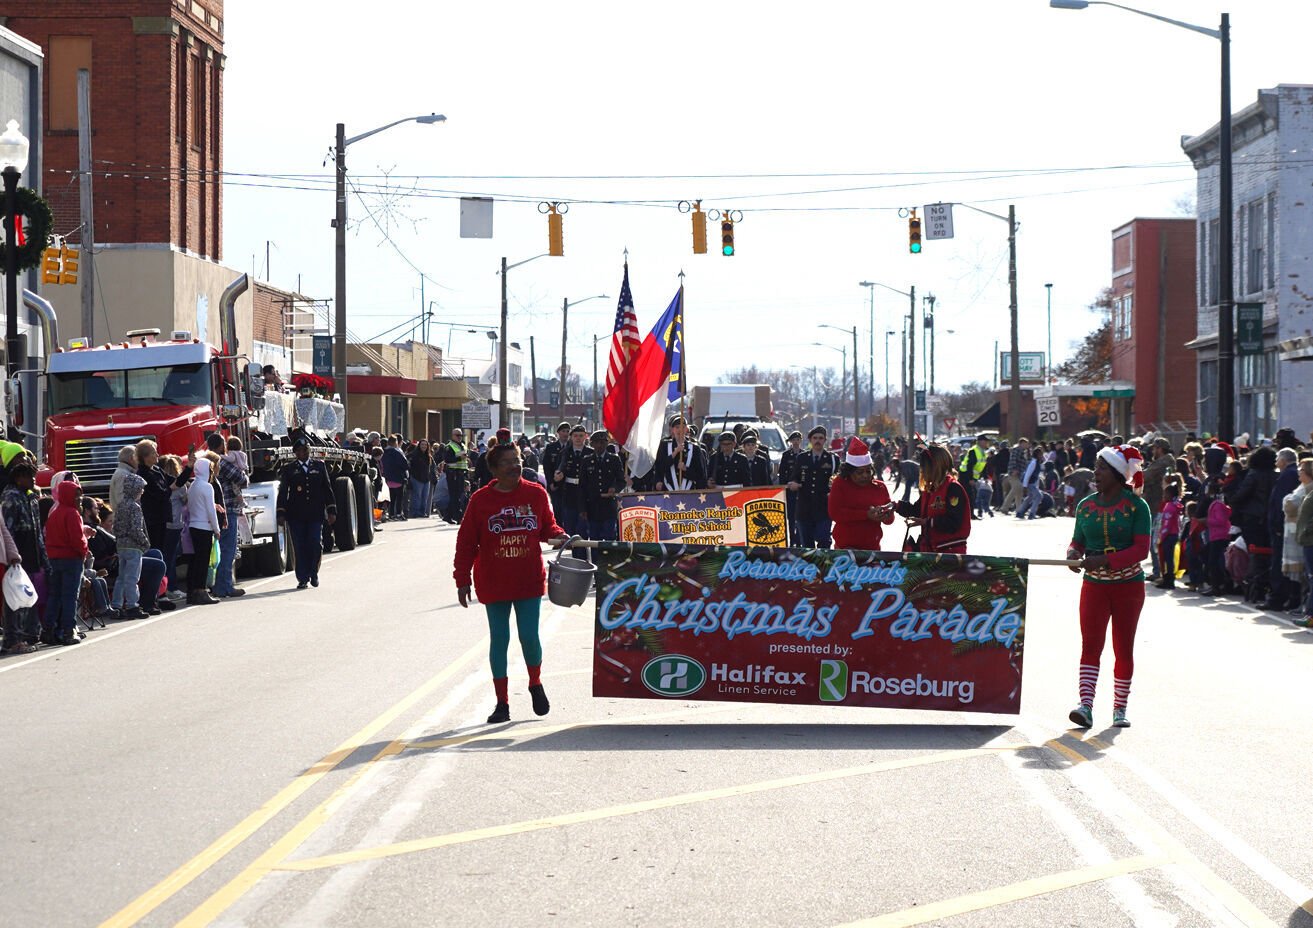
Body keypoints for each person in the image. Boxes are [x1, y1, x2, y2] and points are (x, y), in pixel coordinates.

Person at [453, 442, 569, 723]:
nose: (514, 466)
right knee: (499, 639)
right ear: (493, 469)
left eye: (516, 460)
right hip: (493, 581)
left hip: (527, 578)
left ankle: (535, 682)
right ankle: (502, 702)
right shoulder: (480, 500)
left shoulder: (536, 494)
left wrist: (559, 535)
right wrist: (462, 579)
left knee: (529, 636)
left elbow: (546, 527)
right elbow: (466, 542)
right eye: (506, 462)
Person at [1065, 445, 1151, 729]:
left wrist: (1104, 559)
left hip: (1129, 588)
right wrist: (1073, 554)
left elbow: (1141, 550)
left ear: (1117, 473)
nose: (1095, 472)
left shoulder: (1137, 507)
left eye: (1102, 468)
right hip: (1094, 587)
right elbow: (1077, 540)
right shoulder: (1085, 505)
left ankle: (1120, 708)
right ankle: (1085, 705)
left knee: (1123, 648)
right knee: (1090, 646)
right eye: (1096, 466)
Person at [276, 437, 338, 590]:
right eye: (298, 451)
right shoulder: (289, 469)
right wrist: (281, 513)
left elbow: (327, 489)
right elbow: (283, 492)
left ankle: (314, 573)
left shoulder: (319, 466)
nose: (302, 453)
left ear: (308, 451)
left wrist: (331, 510)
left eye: (304, 450)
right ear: (295, 453)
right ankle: (302, 578)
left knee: (315, 543)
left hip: (315, 514)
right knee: (300, 546)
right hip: (296, 515)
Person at [1, 459, 47, 653]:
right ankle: (13, 638)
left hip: (31, 554)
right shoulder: (10, 497)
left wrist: (43, 558)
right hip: (17, 556)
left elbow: (37, 533)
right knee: (15, 599)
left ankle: (29, 634)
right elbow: (7, 530)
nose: (33, 480)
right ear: (19, 478)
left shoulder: (30, 498)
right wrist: (12, 555)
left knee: (28, 595)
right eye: (30, 476)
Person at [895, 443, 972, 554]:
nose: (922, 471)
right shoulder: (930, 489)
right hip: (930, 550)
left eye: (924, 468)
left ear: (935, 467)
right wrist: (895, 506)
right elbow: (916, 510)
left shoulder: (953, 488)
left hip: (950, 553)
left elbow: (954, 523)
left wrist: (927, 522)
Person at [43, 476, 89, 645]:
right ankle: (69, 631)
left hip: (54, 559)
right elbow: (77, 539)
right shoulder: (72, 513)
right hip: (71, 558)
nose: (79, 499)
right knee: (70, 596)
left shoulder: (54, 513)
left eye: (80, 495)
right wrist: (84, 552)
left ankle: (48, 629)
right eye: (76, 496)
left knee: (55, 595)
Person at [828, 438, 894, 550]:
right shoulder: (840, 484)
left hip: (872, 549)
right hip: (845, 550)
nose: (865, 476)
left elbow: (890, 520)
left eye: (868, 471)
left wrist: (886, 515)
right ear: (849, 472)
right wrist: (866, 515)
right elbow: (835, 513)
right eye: (859, 472)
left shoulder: (880, 487)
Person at [206, 433, 248, 599]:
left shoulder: (206, 459)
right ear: (220, 445)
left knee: (218, 550)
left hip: (214, 509)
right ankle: (225, 587)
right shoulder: (221, 461)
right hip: (228, 508)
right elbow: (241, 479)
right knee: (227, 550)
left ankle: (218, 585)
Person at [1263, 448, 1301, 610]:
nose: (1276, 462)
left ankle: (1277, 599)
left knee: (1279, 563)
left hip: (1282, 527)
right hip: (1285, 525)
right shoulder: (1291, 474)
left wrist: (1277, 524)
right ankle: (1287, 598)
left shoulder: (1288, 475)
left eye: (1278, 458)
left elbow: (1281, 501)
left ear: (1284, 460)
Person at [789, 426, 837, 548]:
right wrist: (793, 483)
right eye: (815, 438)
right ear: (810, 440)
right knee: (807, 545)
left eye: (821, 438)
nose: (818, 441)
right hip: (805, 507)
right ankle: (809, 567)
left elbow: (838, 479)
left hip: (823, 507)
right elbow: (795, 477)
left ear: (825, 440)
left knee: (824, 541)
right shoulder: (802, 458)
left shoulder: (832, 459)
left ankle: (823, 566)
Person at [112, 474, 151, 619]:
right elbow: (136, 529)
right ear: (135, 489)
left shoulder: (121, 505)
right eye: (141, 489)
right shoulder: (135, 507)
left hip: (121, 545)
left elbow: (115, 526)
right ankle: (132, 605)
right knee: (132, 578)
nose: (142, 491)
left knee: (121, 577)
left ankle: (116, 605)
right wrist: (144, 542)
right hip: (134, 546)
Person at [185, 455, 222, 605]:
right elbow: (210, 511)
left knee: (194, 560)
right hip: (204, 527)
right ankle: (201, 591)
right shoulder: (207, 487)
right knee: (203, 560)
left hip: (193, 526)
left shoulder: (193, 485)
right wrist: (216, 528)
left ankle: (192, 591)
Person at [584, 431, 625, 543]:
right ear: (592, 444)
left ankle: (608, 560)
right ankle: (595, 560)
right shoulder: (587, 461)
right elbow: (582, 487)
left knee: (610, 538)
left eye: (602, 442)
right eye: (596, 443)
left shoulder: (614, 459)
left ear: (607, 444)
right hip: (592, 505)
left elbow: (622, 481)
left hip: (609, 506)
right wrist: (582, 508)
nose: (599, 445)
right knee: (594, 539)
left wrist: (615, 488)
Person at [551, 425, 592, 537]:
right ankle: (574, 552)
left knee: (583, 527)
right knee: (570, 525)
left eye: (581, 436)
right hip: (569, 492)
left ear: (585, 437)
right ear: (571, 437)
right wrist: (557, 478)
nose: (578, 438)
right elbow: (560, 468)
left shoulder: (590, 453)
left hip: (585, 493)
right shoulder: (565, 452)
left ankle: (582, 553)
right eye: (575, 436)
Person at [652, 415, 708, 491]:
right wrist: (675, 453)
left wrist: (685, 469)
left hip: (689, 491)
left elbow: (701, 474)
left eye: (682, 427)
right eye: (677, 427)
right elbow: (660, 467)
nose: (679, 430)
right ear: (672, 430)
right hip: (668, 490)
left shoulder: (695, 448)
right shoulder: (664, 446)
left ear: (686, 429)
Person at [1154, 479, 1184, 590]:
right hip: (1174, 534)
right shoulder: (1176, 505)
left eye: (1165, 493)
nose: (1163, 495)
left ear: (1170, 495)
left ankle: (1169, 580)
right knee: (1169, 558)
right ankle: (1168, 578)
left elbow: (1166, 524)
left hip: (1169, 535)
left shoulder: (1169, 507)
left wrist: (1161, 538)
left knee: (1167, 559)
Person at [436, 428, 471, 524]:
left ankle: (448, 515)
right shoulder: (449, 446)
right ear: (452, 436)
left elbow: (464, 459)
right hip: (453, 474)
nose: (459, 437)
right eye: (457, 435)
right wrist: (460, 457)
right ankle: (458, 517)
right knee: (455, 496)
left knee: (458, 495)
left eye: (461, 435)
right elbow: (448, 459)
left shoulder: (463, 446)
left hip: (461, 473)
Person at [778, 430, 804, 542]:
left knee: (800, 516)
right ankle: (792, 538)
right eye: (794, 440)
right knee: (791, 516)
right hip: (789, 489)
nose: (796, 442)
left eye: (798, 440)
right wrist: (784, 485)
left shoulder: (804, 455)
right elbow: (782, 472)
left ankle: (799, 539)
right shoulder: (786, 455)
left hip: (801, 489)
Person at [958, 434, 992, 519]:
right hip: (965, 476)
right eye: (985, 441)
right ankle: (969, 514)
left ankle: (969, 514)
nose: (986, 443)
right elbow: (969, 466)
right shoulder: (973, 451)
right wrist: (971, 479)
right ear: (980, 442)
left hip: (972, 477)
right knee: (969, 496)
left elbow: (983, 465)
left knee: (971, 496)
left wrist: (985, 477)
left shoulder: (983, 452)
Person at [381, 435, 410, 521]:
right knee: (399, 497)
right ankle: (398, 514)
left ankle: (391, 514)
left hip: (388, 478)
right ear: (395, 442)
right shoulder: (397, 452)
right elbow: (405, 464)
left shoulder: (384, 453)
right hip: (398, 477)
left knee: (391, 497)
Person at [408, 438, 435, 518]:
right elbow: (408, 464)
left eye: (425, 445)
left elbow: (432, 467)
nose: (424, 446)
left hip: (426, 479)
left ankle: (422, 512)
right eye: (422, 444)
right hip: (416, 478)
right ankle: (415, 513)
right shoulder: (413, 455)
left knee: (425, 497)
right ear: (419, 445)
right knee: (417, 497)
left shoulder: (429, 456)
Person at [1016, 446, 1044, 520]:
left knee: (1030, 497)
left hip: (1032, 483)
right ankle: (1032, 513)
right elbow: (1027, 475)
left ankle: (1020, 512)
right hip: (1029, 484)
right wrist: (1025, 486)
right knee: (1038, 496)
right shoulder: (1033, 463)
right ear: (1037, 455)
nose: (1042, 456)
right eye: (1040, 454)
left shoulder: (1037, 463)